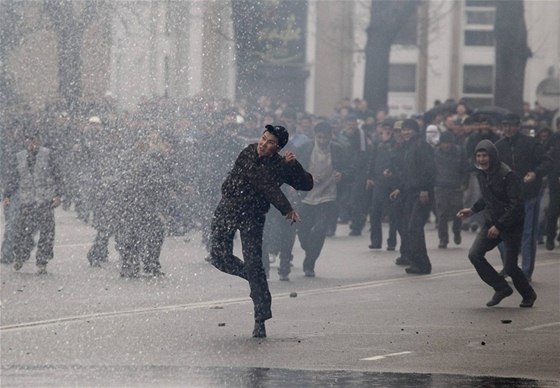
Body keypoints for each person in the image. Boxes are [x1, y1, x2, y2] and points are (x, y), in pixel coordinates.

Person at [208, 124, 313, 338]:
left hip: (252, 216)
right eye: (263, 139)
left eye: (270, 142)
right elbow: (264, 182)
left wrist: (294, 166)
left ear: (278, 147)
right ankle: (253, 278)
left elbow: (306, 184)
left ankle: (260, 318)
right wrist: (286, 208)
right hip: (228, 208)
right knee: (219, 257)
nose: (263, 144)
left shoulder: (281, 164)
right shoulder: (248, 152)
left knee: (255, 262)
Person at [458, 140, 537, 308]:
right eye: (478, 156)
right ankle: (501, 288)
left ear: (492, 156)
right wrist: (472, 210)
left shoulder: (507, 175)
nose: (481, 159)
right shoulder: (482, 173)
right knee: (475, 254)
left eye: (484, 155)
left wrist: (500, 226)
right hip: (492, 221)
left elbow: (516, 205)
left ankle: (529, 294)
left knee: (510, 267)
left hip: (511, 225)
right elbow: (487, 197)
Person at [495, 113, 551, 281]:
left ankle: (526, 272)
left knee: (527, 235)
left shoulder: (531, 143)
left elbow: (547, 162)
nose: (508, 128)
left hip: (529, 196)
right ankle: (509, 266)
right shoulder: (498, 147)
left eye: (511, 125)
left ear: (518, 126)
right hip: (506, 199)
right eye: (505, 125)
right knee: (501, 234)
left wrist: (535, 172)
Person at [2, 125, 63, 274]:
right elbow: (13, 178)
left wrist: (58, 195)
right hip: (26, 201)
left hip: (45, 201)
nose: (31, 144)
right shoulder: (19, 157)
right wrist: (7, 195)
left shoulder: (48, 155)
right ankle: (20, 256)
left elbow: (58, 176)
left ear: (39, 140)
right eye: (28, 140)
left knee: (47, 233)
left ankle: (42, 262)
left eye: (34, 140)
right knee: (23, 232)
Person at [296, 121, 351, 277]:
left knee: (320, 230)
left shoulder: (339, 150)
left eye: (325, 138)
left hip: (328, 196)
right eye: (319, 138)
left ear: (330, 136)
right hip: (307, 195)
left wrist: (343, 175)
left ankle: (309, 264)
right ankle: (309, 248)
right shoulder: (305, 149)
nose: (322, 141)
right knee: (303, 231)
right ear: (315, 136)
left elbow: (351, 169)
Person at [389, 119, 435, 275]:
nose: (406, 132)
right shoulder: (409, 147)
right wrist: (400, 188)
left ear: (415, 131)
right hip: (409, 192)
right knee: (409, 228)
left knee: (414, 228)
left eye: (409, 129)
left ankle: (423, 264)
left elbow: (428, 170)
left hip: (420, 193)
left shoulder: (422, 146)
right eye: (404, 129)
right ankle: (416, 261)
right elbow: (407, 173)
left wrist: (424, 189)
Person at [433, 131, 469, 248]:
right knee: (442, 214)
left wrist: (464, 183)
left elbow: (465, 169)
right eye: (444, 143)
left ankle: (456, 231)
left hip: (456, 187)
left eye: (448, 143)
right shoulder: (435, 154)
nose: (446, 145)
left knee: (457, 212)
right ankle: (443, 238)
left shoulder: (460, 152)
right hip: (441, 187)